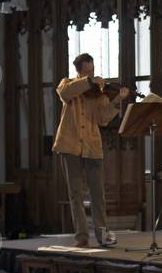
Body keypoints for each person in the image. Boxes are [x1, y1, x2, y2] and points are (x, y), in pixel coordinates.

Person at [53, 53, 129, 247]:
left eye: (93, 71)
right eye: (88, 72)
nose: (92, 75)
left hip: (92, 147)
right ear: (80, 72)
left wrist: (116, 101)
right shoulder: (67, 84)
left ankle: (102, 236)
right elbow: (65, 93)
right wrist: (88, 81)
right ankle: (82, 236)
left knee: (98, 194)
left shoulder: (98, 93)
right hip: (69, 146)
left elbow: (103, 118)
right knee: (75, 193)